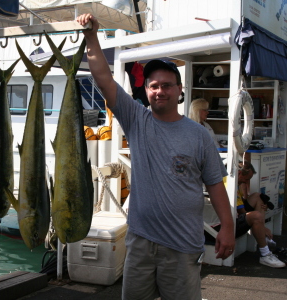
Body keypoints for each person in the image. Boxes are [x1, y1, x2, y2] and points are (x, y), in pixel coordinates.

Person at [77, 13, 235, 300]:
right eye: (153, 85)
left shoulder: (199, 134)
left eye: (166, 85)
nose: (159, 91)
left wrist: (227, 227)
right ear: (147, 91)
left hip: (182, 246)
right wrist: (91, 36)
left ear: (179, 91)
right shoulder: (137, 120)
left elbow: (215, 184)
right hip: (141, 243)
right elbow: (103, 78)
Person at [223, 161, 284, 268]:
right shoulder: (229, 183)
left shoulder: (237, 183)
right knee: (256, 216)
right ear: (239, 174)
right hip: (226, 222)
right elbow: (241, 211)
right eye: (246, 179)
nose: (246, 183)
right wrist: (262, 226)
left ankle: (262, 235)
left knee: (258, 197)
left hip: (234, 214)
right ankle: (265, 254)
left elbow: (242, 202)